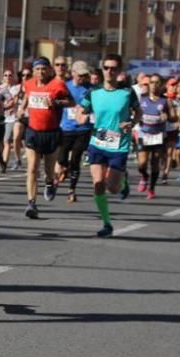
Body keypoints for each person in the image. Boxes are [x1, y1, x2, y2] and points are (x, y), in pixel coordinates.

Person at [78, 54, 140, 237]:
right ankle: (107, 224)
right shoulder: (93, 92)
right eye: (106, 68)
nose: (109, 71)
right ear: (102, 69)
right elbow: (82, 111)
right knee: (98, 184)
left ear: (119, 71)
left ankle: (123, 183)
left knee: (112, 188)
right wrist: (81, 118)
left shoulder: (127, 92)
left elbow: (138, 112)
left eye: (113, 68)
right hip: (97, 143)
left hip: (119, 145)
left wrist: (132, 123)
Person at [16, 57, 73, 219]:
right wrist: (21, 109)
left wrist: (56, 102)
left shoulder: (57, 84)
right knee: (32, 168)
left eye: (43, 69)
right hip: (33, 131)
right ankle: (31, 203)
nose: (40, 72)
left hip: (51, 132)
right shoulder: (29, 84)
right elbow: (27, 97)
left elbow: (71, 102)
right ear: (33, 71)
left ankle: (49, 182)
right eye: (37, 69)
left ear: (49, 70)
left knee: (49, 170)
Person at [57, 60, 93, 203]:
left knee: (76, 159)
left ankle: (72, 190)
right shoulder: (65, 86)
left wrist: (87, 114)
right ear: (73, 74)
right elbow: (57, 102)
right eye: (79, 75)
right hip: (66, 128)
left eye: (84, 75)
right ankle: (64, 168)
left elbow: (96, 107)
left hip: (83, 129)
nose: (82, 78)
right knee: (62, 159)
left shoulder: (90, 89)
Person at [135, 74, 171, 200]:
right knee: (142, 164)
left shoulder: (165, 101)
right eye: (151, 82)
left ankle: (151, 189)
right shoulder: (142, 99)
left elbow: (173, 117)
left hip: (158, 136)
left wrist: (167, 117)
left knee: (155, 162)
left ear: (161, 85)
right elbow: (135, 113)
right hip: (144, 134)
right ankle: (144, 176)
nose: (154, 85)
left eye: (157, 83)